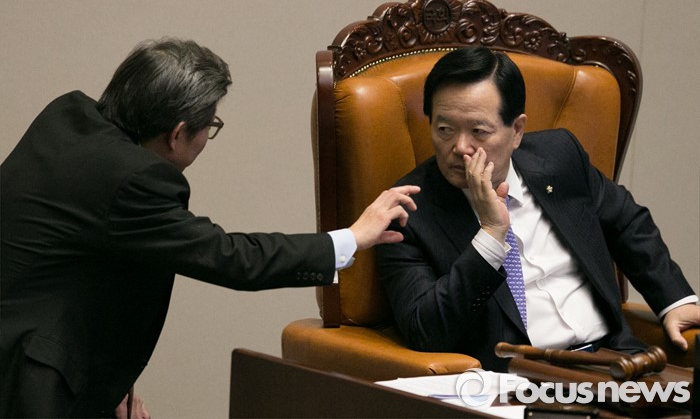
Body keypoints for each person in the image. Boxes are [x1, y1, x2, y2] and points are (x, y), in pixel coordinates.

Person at [0, 38, 419, 418]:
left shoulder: (67, 116)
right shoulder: (135, 180)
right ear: (178, 134)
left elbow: (81, 260)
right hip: (31, 383)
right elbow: (230, 257)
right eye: (209, 128)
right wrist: (351, 238)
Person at [376, 46, 699, 373]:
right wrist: (490, 236)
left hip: (617, 360)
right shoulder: (407, 212)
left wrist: (675, 301)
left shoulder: (559, 157)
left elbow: (627, 221)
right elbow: (425, 330)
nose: (460, 148)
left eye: (478, 131)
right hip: (521, 380)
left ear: (516, 131)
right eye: (444, 129)